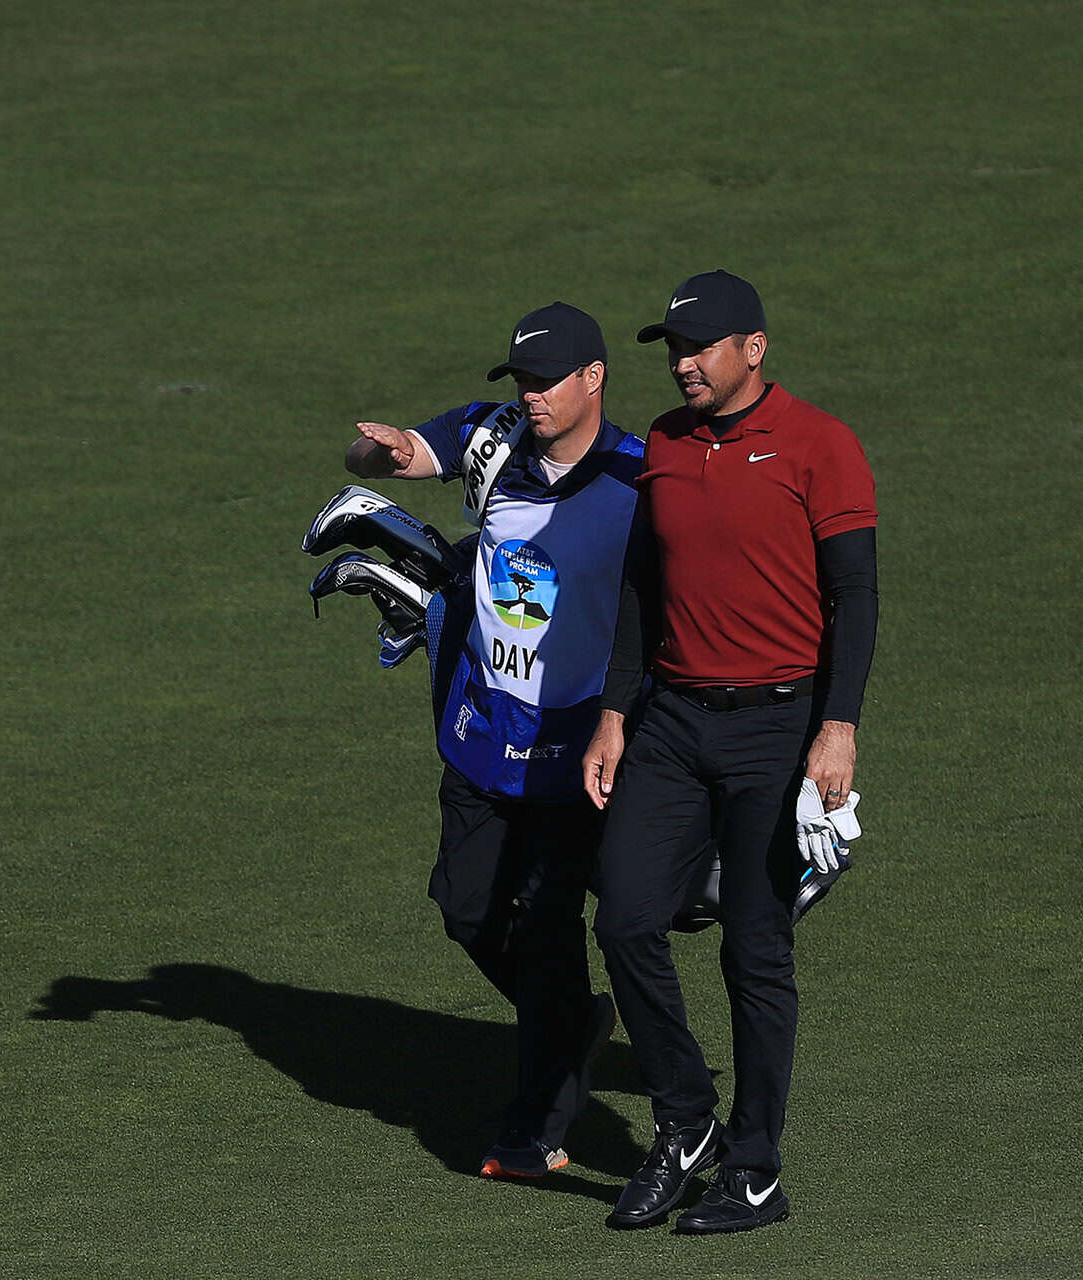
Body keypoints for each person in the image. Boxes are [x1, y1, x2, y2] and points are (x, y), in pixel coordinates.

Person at [582, 271, 879, 1233]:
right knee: (624, 918)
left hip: (778, 729)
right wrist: (616, 712)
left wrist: (838, 729)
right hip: (671, 721)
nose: (683, 363)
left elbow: (857, 601)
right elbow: (637, 583)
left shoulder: (820, 445)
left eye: (702, 346)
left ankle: (754, 1171)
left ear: (754, 348)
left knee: (756, 952)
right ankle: (685, 1119)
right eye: (674, 348)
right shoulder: (664, 443)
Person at [344, 302, 642, 1181]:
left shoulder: (639, 478)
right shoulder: (495, 436)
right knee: (468, 908)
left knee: (546, 924)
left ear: (594, 379)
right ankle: (574, 1023)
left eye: (548, 379)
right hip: (482, 726)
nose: (531, 395)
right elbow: (409, 451)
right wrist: (384, 454)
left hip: (570, 738)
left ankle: (534, 1124)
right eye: (520, 379)